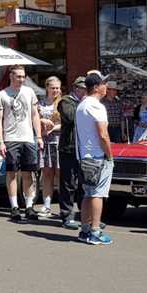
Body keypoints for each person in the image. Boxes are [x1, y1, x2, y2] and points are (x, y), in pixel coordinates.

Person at [0, 65, 43, 222]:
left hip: (28, 138)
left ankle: (29, 207)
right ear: (11, 76)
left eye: (23, 76)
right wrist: (1, 141)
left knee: (29, 174)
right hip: (11, 139)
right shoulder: (2, 95)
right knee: (12, 173)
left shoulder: (29, 92)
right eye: (19, 76)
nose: (22, 79)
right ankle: (14, 207)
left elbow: (35, 115)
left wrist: (39, 136)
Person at [75, 72, 114, 245]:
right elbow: (103, 134)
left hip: (84, 156)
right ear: (96, 87)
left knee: (88, 194)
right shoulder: (97, 106)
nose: (106, 86)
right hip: (98, 156)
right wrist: (110, 155)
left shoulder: (82, 104)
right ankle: (95, 231)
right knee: (98, 194)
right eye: (104, 84)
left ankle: (84, 230)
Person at [58, 76, 86, 229]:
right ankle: (66, 215)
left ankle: (85, 216)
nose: (86, 92)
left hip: (82, 149)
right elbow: (70, 117)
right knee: (68, 184)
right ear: (76, 88)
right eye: (83, 88)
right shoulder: (66, 101)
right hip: (68, 148)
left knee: (83, 184)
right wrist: (84, 105)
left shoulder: (85, 103)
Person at [37, 76, 62, 219]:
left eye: (58, 88)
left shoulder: (62, 103)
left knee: (60, 175)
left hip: (58, 141)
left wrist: (53, 128)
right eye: (53, 88)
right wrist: (42, 120)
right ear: (47, 88)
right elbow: (34, 118)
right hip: (44, 143)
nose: (56, 90)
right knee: (46, 175)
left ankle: (62, 207)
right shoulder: (40, 103)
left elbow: (66, 122)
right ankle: (46, 206)